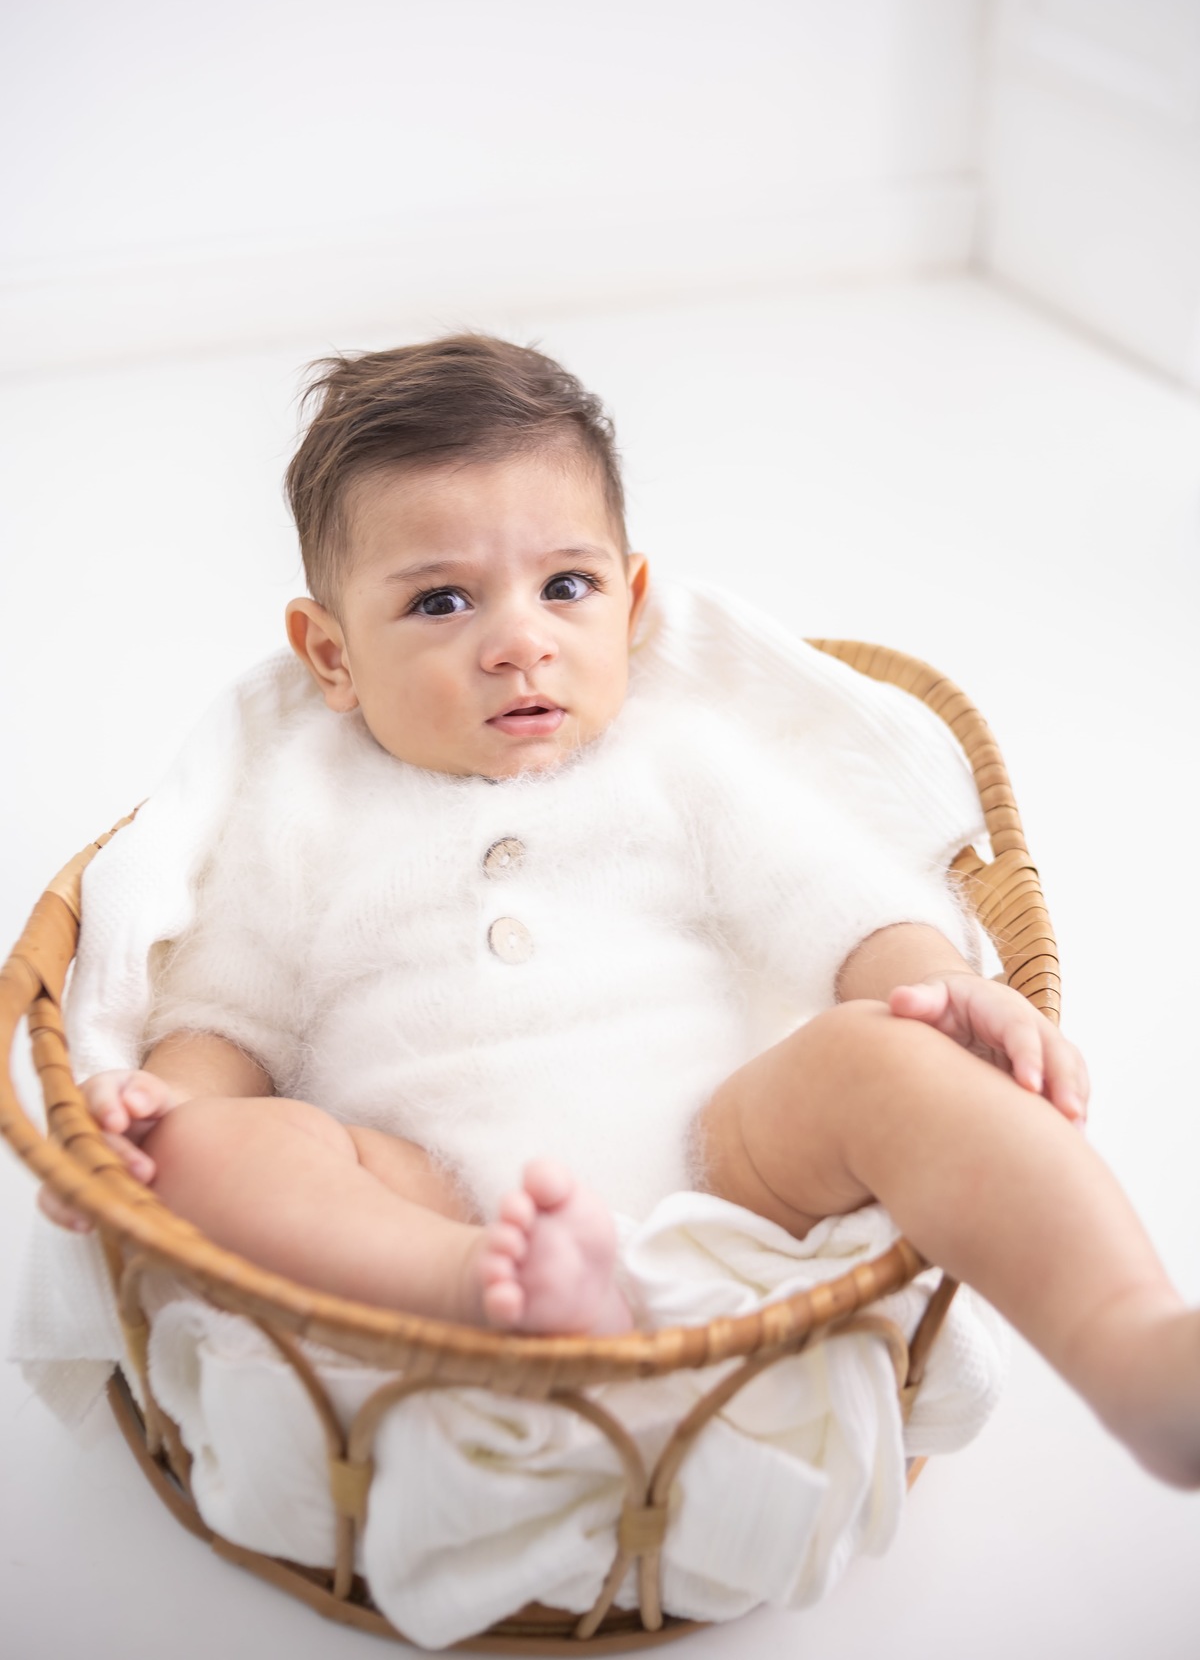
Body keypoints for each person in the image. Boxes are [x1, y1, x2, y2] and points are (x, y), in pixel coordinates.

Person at [39, 336, 1200, 1490]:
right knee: (210, 1151)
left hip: (717, 1155)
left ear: (631, 605)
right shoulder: (299, 801)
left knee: (890, 1057)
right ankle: (482, 1291)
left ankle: (1130, 1343)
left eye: (566, 587)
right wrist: (158, 1104)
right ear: (331, 656)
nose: (520, 642)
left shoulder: (676, 759)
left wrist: (946, 984)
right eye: (441, 601)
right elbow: (229, 1015)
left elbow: (839, 902)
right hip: (420, 1189)